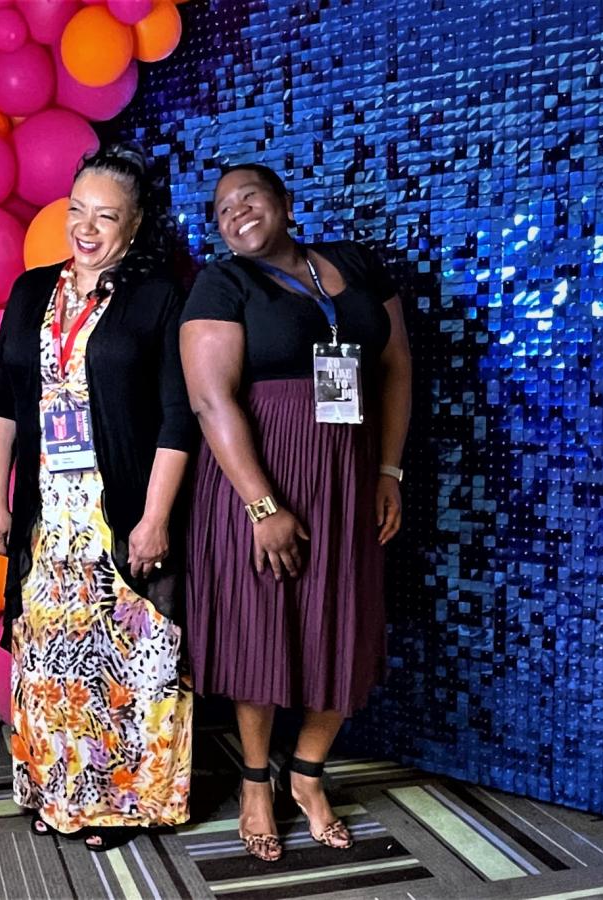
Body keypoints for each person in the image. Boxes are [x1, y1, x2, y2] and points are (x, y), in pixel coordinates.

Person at [180, 164, 412, 862]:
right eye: (222, 209)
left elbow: (396, 363)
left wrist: (389, 469)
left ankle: (306, 774)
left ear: (285, 202)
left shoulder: (355, 263)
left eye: (249, 197)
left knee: (343, 622)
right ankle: (256, 782)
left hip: (348, 474)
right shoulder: (223, 283)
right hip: (262, 479)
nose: (236, 213)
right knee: (264, 631)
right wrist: (262, 504)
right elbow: (210, 401)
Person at [0, 145, 194, 851]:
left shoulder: (158, 296)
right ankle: (57, 790)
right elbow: (3, 401)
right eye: (78, 210)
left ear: (133, 229)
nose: (87, 228)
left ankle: (121, 804)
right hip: (47, 511)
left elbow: (176, 416)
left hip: (120, 506)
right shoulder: (28, 291)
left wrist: (157, 516)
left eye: (107, 217)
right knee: (48, 656)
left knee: (124, 658)